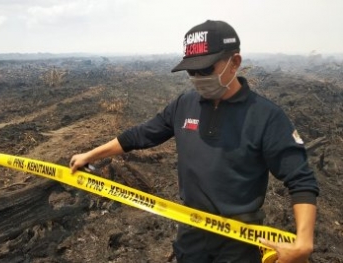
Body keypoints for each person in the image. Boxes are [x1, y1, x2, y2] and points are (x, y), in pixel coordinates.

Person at [69, 20, 319, 263]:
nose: (198, 77)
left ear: (235, 62)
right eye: (192, 71)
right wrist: (91, 155)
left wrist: (304, 242)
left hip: (240, 239)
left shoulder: (266, 116)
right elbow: (141, 135)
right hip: (191, 228)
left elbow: (300, 179)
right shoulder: (184, 105)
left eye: (207, 69)